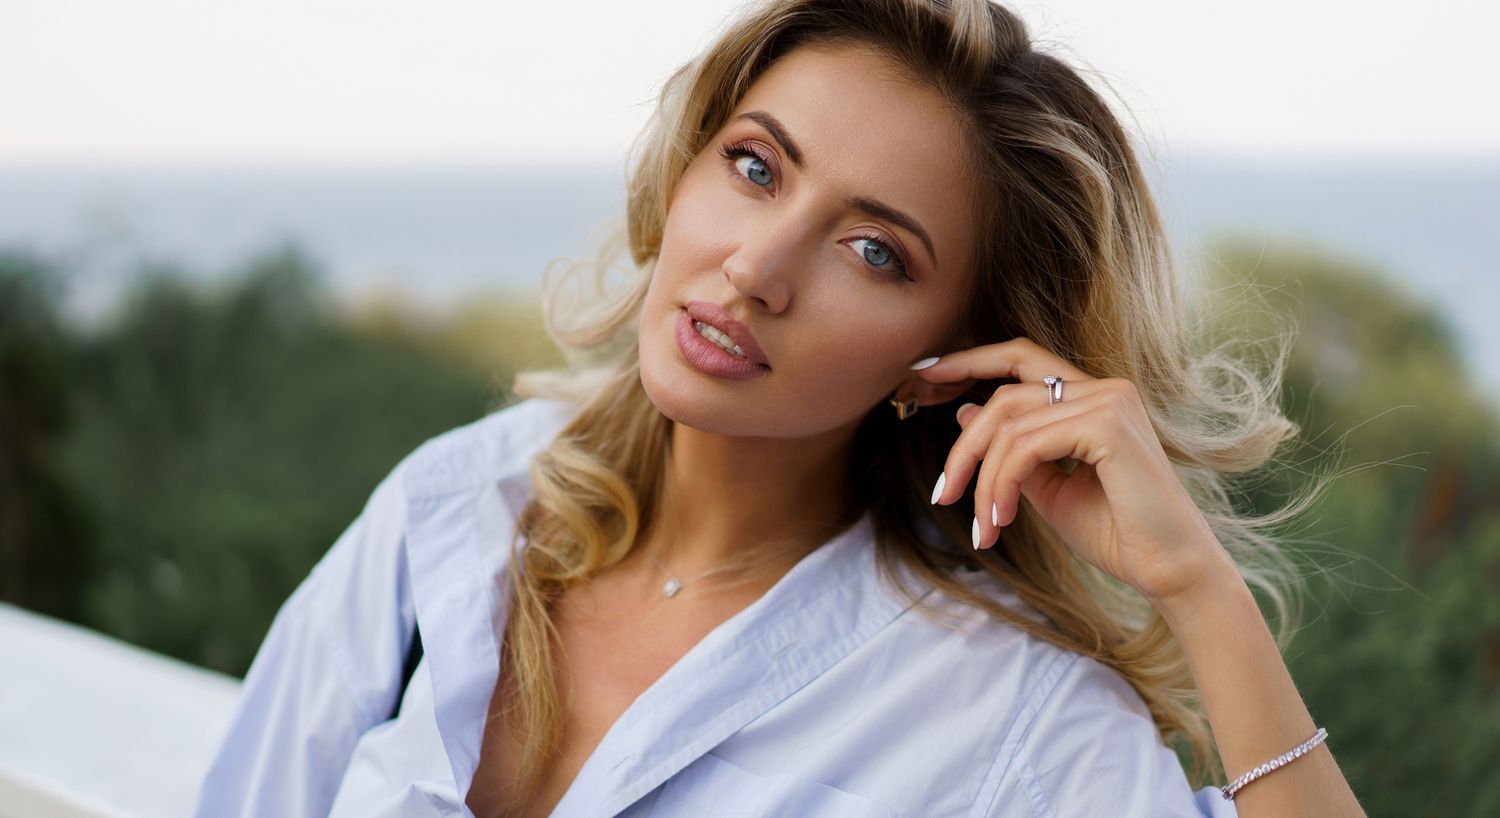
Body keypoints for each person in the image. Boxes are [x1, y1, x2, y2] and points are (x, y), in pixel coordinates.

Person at [192, 0, 1369, 816]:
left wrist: (1200, 593)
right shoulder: (449, 515)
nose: (758, 265)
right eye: (756, 166)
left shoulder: (1003, 709)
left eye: (873, 249)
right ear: (685, 167)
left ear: (949, 354)